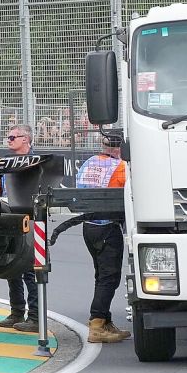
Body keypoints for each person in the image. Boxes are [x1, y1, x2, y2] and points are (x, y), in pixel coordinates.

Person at [76, 134, 130, 343]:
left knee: (101, 275)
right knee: (110, 277)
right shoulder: (120, 167)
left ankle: (106, 321)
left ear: (103, 145)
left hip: (88, 226)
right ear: (120, 149)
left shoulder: (89, 163)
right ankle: (97, 323)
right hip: (108, 226)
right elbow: (126, 195)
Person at [0, 123, 40, 332]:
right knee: (11, 265)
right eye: (8, 137)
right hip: (10, 217)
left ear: (26, 139)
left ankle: (34, 316)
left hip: (31, 220)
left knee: (31, 269)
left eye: (13, 137)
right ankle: (17, 310)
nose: (9, 140)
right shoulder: (6, 163)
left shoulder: (36, 163)